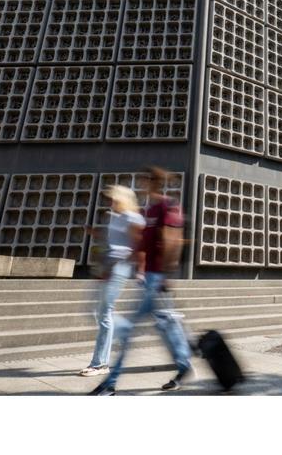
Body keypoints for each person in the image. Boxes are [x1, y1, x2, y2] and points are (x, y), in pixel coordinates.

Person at [91, 168, 192, 396]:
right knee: (167, 326)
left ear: (154, 183)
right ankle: (185, 364)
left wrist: (165, 275)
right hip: (149, 279)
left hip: (157, 280)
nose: (141, 185)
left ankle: (110, 384)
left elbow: (173, 241)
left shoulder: (167, 206)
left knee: (130, 329)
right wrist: (121, 264)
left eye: (144, 181)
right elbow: (140, 246)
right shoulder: (150, 210)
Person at [79, 185, 145, 377]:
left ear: (123, 199)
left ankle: (100, 364)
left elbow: (139, 245)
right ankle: (125, 331)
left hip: (119, 267)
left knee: (105, 314)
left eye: (114, 199)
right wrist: (95, 234)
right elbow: (114, 241)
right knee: (94, 312)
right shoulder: (115, 218)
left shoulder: (134, 218)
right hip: (107, 266)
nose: (111, 202)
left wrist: (140, 270)